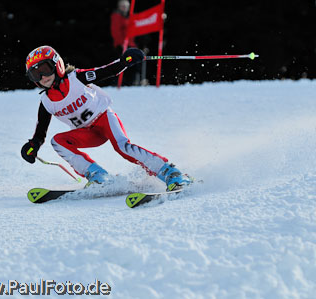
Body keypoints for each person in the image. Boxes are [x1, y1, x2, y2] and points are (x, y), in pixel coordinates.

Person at [21, 45, 191, 191]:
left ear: (57, 65)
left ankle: (170, 172)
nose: (43, 77)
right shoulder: (46, 102)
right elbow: (40, 131)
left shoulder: (77, 78)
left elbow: (106, 71)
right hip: (87, 132)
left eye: (45, 69)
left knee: (122, 147)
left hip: (104, 118)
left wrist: (125, 61)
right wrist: (33, 145)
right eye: (36, 75)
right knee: (57, 141)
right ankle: (99, 177)